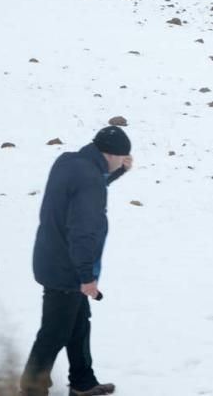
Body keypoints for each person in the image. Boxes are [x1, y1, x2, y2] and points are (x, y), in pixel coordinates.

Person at [20, 125, 134, 396]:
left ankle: (83, 382)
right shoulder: (91, 179)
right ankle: (32, 388)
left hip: (52, 256)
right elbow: (83, 231)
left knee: (79, 325)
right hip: (67, 267)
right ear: (110, 153)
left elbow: (88, 186)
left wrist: (118, 172)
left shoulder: (69, 162)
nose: (124, 160)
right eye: (122, 156)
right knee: (55, 332)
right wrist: (86, 277)